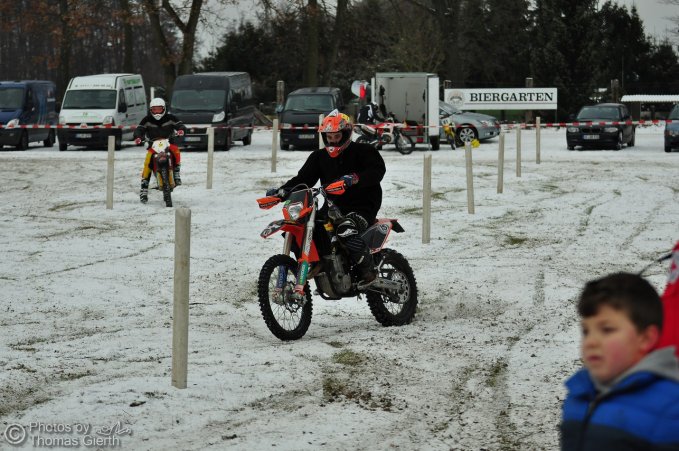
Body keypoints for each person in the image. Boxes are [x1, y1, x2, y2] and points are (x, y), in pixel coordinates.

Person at [560, 272, 679, 451]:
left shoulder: (670, 409)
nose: (590, 341)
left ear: (645, 338)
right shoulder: (580, 395)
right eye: (586, 331)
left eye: (607, 329)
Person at [266, 109, 386, 285]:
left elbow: (377, 171)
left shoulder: (363, 150)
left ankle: (369, 272)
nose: (333, 140)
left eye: (337, 136)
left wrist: (355, 178)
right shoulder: (319, 156)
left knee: (345, 229)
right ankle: (318, 263)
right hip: (333, 207)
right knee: (301, 227)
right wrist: (281, 192)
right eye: (329, 137)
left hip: (363, 205)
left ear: (346, 134)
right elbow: (302, 180)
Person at [133, 98, 186, 204]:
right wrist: (138, 137)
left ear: (164, 109)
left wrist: (181, 130)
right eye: (154, 109)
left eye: (159, 109)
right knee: (147, 163)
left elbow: (180, 124)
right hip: (153, 145)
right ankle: (144, 188)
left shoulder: (170, 118)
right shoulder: (147, 120)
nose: (157, 112)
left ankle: (176, 171)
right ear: (151, 110)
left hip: (168, 143)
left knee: (176, 150)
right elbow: (139, 129)